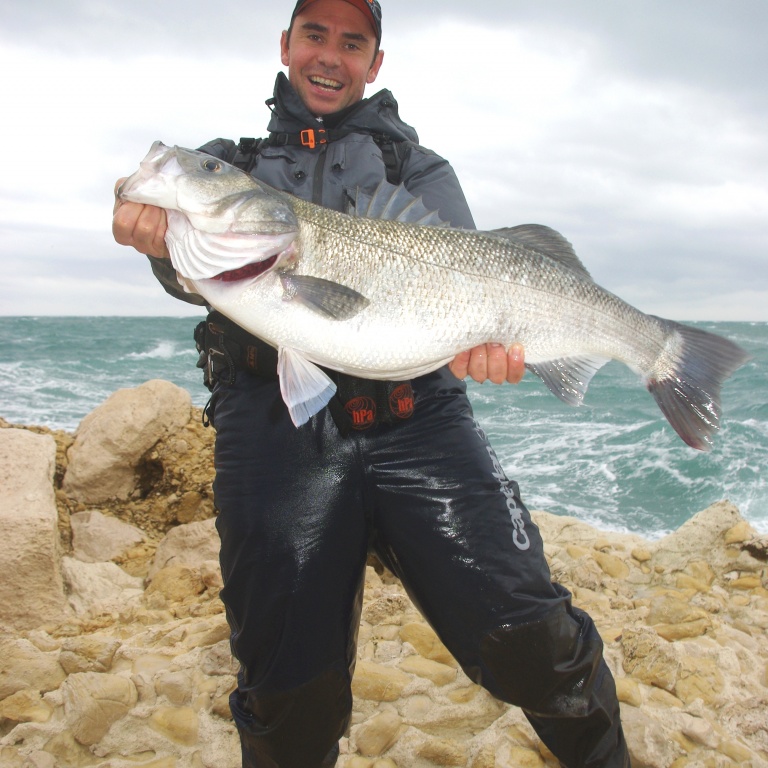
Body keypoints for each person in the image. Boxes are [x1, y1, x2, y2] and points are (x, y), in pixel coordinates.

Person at [113, 1, 630, 766]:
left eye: (351, 42)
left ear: (374, 62)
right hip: (272, 426)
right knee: (288, 684)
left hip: (419, 420)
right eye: (314, 34)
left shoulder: (419, 173)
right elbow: (190, 261)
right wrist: (152, 233)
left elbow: (469, 295)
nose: (330, 54)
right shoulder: (234, 160)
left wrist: (487, 346)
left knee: (530, 639)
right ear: (286, 45)